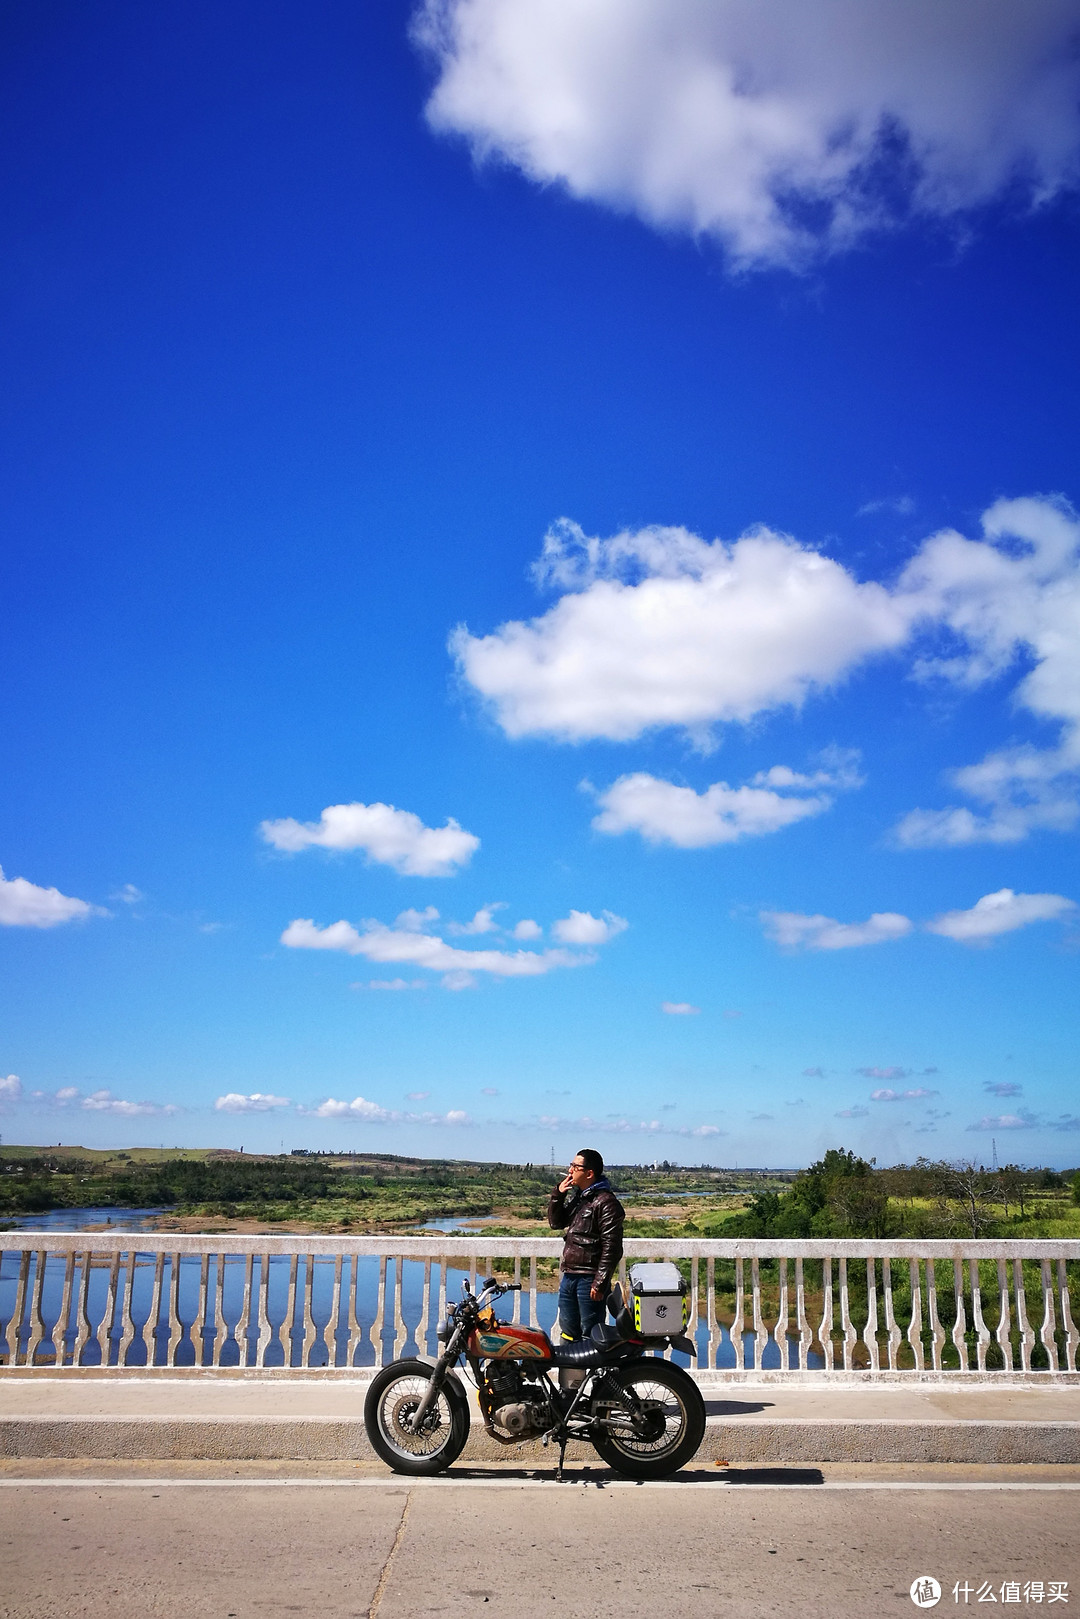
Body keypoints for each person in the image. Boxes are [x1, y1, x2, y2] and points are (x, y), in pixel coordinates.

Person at [547, 1148, 625, 1342]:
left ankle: (593, 1372)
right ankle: (571, 1372)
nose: (570, 1170)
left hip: (588, 1280)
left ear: (589, 1173)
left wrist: (600, 1283)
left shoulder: (606, 1202)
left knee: (590, 1334)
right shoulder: (582, 1198)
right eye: (571, 1165)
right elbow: (556, 1223)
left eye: (575, 1166)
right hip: (570, 1275)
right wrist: (558, 1195)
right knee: (568, 1332)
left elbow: (612, 1247)